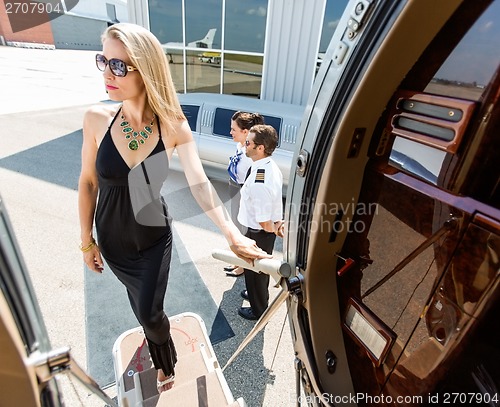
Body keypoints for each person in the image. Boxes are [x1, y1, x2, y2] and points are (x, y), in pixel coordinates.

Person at [77, 23, 270, 394]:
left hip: (152, 238)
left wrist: (231, 234)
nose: (107, 73)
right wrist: (86, 241)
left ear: (146, 69)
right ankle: (156, 346)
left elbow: (200, 184)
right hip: (113, 242)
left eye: (119, 66)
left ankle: (166, 362)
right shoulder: (96, 119)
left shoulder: (173, 125)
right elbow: (88, 183)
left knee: (151, 314)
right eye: (103, 61)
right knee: (140, 308)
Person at [237, 124, 285, 320]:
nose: (244, 145)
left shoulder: (260, 180)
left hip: (258, 233)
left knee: (255, 272)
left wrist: (276, 229)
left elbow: (264, 222)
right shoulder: (265, 165)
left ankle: (259, 309)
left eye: (248, 142)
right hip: (260, 232)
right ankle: (257, 295)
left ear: (260, 148)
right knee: (258, 271)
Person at [225, 111, 265, 277]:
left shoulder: (253, 153)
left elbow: (259, 177)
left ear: (246, 132)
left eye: (234, 129)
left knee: (244, 230)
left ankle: (243, 266)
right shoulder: (240, 146)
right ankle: (238, 260)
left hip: (244, 192)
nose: (230, 132)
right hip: (235, 189)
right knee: (236, 225)